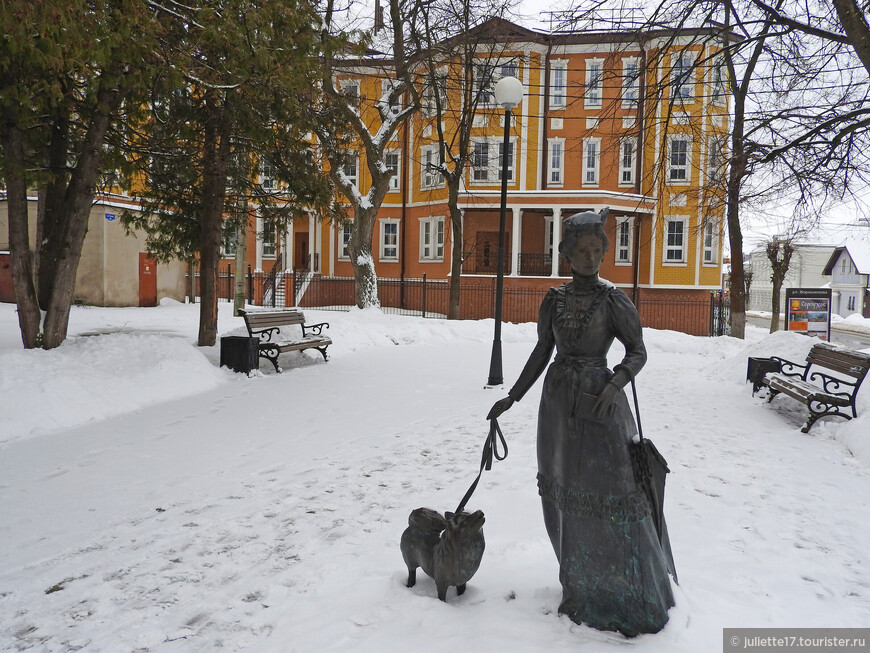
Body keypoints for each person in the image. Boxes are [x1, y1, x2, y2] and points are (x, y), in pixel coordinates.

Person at [488, 208, 676, 637]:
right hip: (557, 403)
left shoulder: (613, 301)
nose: (591, 258)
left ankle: (633, 595)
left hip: (599, 405)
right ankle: (581, 585)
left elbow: (637, 351)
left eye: (597, 250)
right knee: (562, 496)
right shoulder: (554, 300)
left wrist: (615, 387)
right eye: (582, 250)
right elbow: (541, 352)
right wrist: (513, 397)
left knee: (614, 496)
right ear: (566, 254)